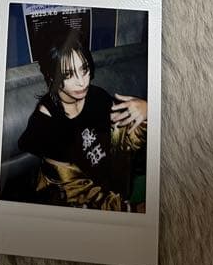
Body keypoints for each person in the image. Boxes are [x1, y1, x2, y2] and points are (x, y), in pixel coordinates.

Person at [17, 22, 147, 210]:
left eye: (84, 69)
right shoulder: (46, 124)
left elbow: (125, 137)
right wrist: (132, 211)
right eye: (68, 75)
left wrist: (146, 109)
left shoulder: (96, 96)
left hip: (113, 184)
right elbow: (77, 192)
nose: (82, 82)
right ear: (51, 75)